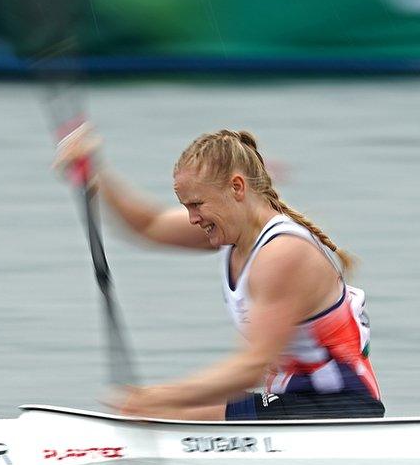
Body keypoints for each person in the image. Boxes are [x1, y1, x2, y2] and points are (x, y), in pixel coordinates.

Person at [55, 127, 383, 421]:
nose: (192, 218)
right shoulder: (234, 229)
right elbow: (148, 225)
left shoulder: (281, 254)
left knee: (167, 412)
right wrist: (95, 174)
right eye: (186, 206)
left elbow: (250, 367)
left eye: (197, 204)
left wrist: (154, 398)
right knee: (168, 412)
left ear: (237, 188)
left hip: (339, 409)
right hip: (292, 403)